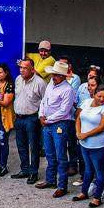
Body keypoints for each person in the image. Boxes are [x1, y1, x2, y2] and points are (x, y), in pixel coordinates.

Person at [36, 59, 76, 197]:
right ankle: (51, 179)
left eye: (56, 75)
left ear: (63, 76)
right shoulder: (50, 85)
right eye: (53, 74)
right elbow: (43, 101)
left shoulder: (68, 90)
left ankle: (62, 185)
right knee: (50, 153)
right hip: (48, 122)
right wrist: (41, 115)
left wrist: (47, 119)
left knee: (60, 155)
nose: (53, 77)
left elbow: (64, 111)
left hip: (59, 124)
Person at [73, 86, 104, 207]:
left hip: (100, 146)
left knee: (99, 171)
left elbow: (102, 127)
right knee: (88, 169)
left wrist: (85, 134)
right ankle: (84, 192)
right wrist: (78, 133)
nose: (102, 99)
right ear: (94, 94)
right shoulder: (87, 102)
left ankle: (97, 197)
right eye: (100, 96)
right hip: (85, 144)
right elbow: (78, 118)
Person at [12, 59, 46, 184]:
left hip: (32, 118)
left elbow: (45, 101)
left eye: (25, 68)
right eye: (20, 67)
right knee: (21, 145)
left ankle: (33, 172)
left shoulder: (40, 83)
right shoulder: (17, 79)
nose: (21, 70)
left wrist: (42, 117)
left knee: (34, 146)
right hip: (19, 117)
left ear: (32, 69)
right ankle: (25, 169)